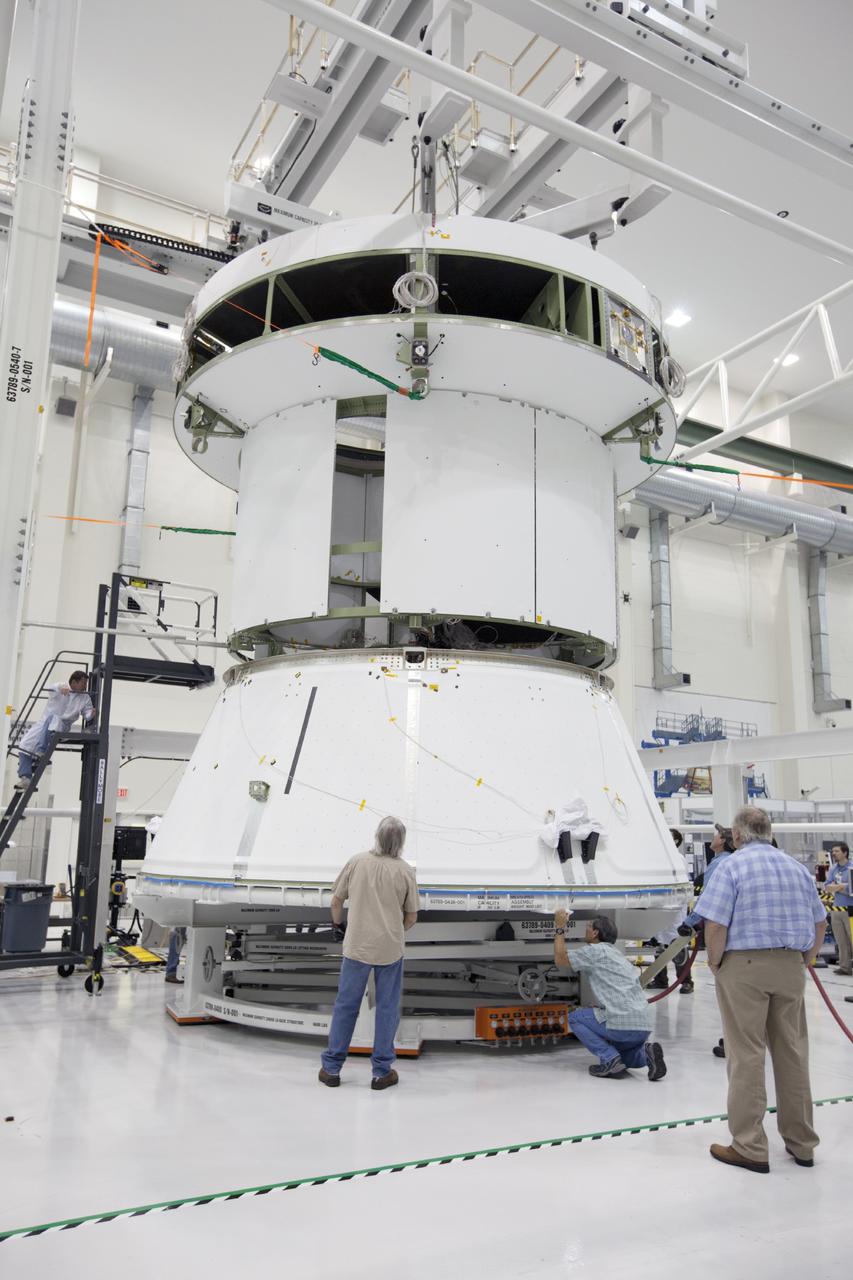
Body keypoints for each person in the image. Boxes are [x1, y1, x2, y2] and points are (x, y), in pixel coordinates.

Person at [695, 805, 826, 1174]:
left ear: (736, 836)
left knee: (746, 1053)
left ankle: (750, 1146)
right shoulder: (797, 868)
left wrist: (717, 964)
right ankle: (802, 1143)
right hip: (790, 966)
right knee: (793, 1053)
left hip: (745, 967)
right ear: (769, 832)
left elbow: (715, 925)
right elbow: (819, 921)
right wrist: (807, 960)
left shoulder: (731, 867)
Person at [319, 816, 419, 1091]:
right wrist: (394, 930)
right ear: (401, 842)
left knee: (346, 1006)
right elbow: (411, 917)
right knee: (386, 1008)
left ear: (376, 835)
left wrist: (337, 925)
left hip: (356, 946)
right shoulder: (405, 871)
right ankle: (381, 1071)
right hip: (389, 949)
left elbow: (337, 900)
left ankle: (331, 1069)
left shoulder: (357, 862)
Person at [554, 909, 666, 1081]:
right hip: (643, 1025)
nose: (585, 929)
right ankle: (646, 1053)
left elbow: (560, 959)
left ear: (596, 933)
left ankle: (609, 1059)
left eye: (588, 927)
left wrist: (560, 927)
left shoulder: (595, 951)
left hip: (621, 1024)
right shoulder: (618, 955)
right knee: (626, 1059)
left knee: (575, 1017)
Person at [13, 672, 96, 790]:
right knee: (24, 745)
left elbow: (87, 713)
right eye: (83, 683)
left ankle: (41, 752)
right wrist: (59, 688)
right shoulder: (63, 686)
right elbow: (51, 687)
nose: (85, 687)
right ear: (74, 682)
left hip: (62, 726)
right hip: (43, 724)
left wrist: (91, 714)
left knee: (54, 719)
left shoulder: (84, 697)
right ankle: (25, 778)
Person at [824, 842, 852, 975]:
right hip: (836, 908)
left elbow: (851, 889)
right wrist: (842, 886)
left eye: (837, 851)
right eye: (833, 851)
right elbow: (827, 886)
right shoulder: (833, 869)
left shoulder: (851, 868)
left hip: (850, 908)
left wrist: (838, 887)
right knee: (841, 940)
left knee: (852, 939)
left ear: (845, 853)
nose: (834, 853)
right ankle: (845, 967)